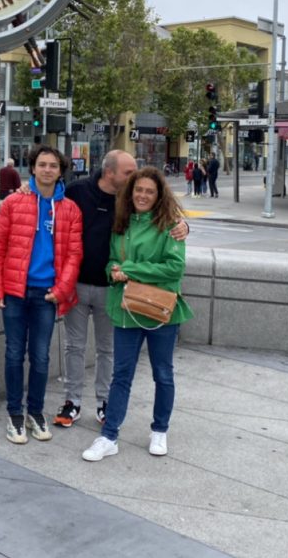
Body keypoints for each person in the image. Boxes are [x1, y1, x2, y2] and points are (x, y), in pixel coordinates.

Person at [52, 151, 189, 429]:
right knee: (73, 347)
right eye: (129, 173)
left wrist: (186, 226)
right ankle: (72, 401)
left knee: (107, 350)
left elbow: (162, 216)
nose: (134, 179)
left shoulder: (127, 200)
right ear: (109, 172)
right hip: (77, 284)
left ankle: (105, 402)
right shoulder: (77, 191)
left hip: (113, 290)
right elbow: (47, 205)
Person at [82, 166, 193, 462]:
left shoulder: (170, 224)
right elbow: (110, 263)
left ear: (159, 196)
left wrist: (129, 270)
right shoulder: (121, 223)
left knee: (163, 374)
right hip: (127, 310)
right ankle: (109, 436)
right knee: (121, 375)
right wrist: (113, 271)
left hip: (160, 312)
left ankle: (159, 429)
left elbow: (174, 268)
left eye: (150, 191)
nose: (143, 195)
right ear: (130, 193)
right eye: (139, 190)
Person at [0, 144, 83, 445]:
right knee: (14, 353)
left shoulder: (69, 209)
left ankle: (36, 411)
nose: (47, 170)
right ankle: (14, 413)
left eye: (53, 165)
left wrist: (61, 289)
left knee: (41, 357)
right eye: (42, 164)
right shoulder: (13, 203)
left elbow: (73, 255)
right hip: (15, 291)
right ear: (33, 168)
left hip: (47, 295)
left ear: (60, 170)